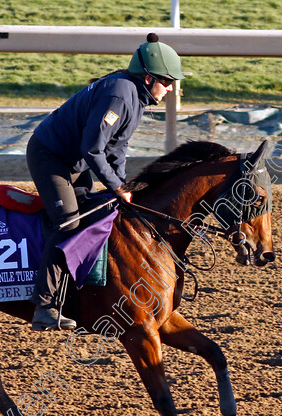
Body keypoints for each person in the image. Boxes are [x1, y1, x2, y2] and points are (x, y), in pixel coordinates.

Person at [26, 33, 184, 331]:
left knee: (100, 208)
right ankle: (44, 305)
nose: (171, 87)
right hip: (50, 156)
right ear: (148, 78)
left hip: (75, 160)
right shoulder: (120, 95)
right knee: (68, 222)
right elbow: (93, 149)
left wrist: (122, 185)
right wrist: (118, 188)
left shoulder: (137, 98)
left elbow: (117, 149)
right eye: (167, 80)